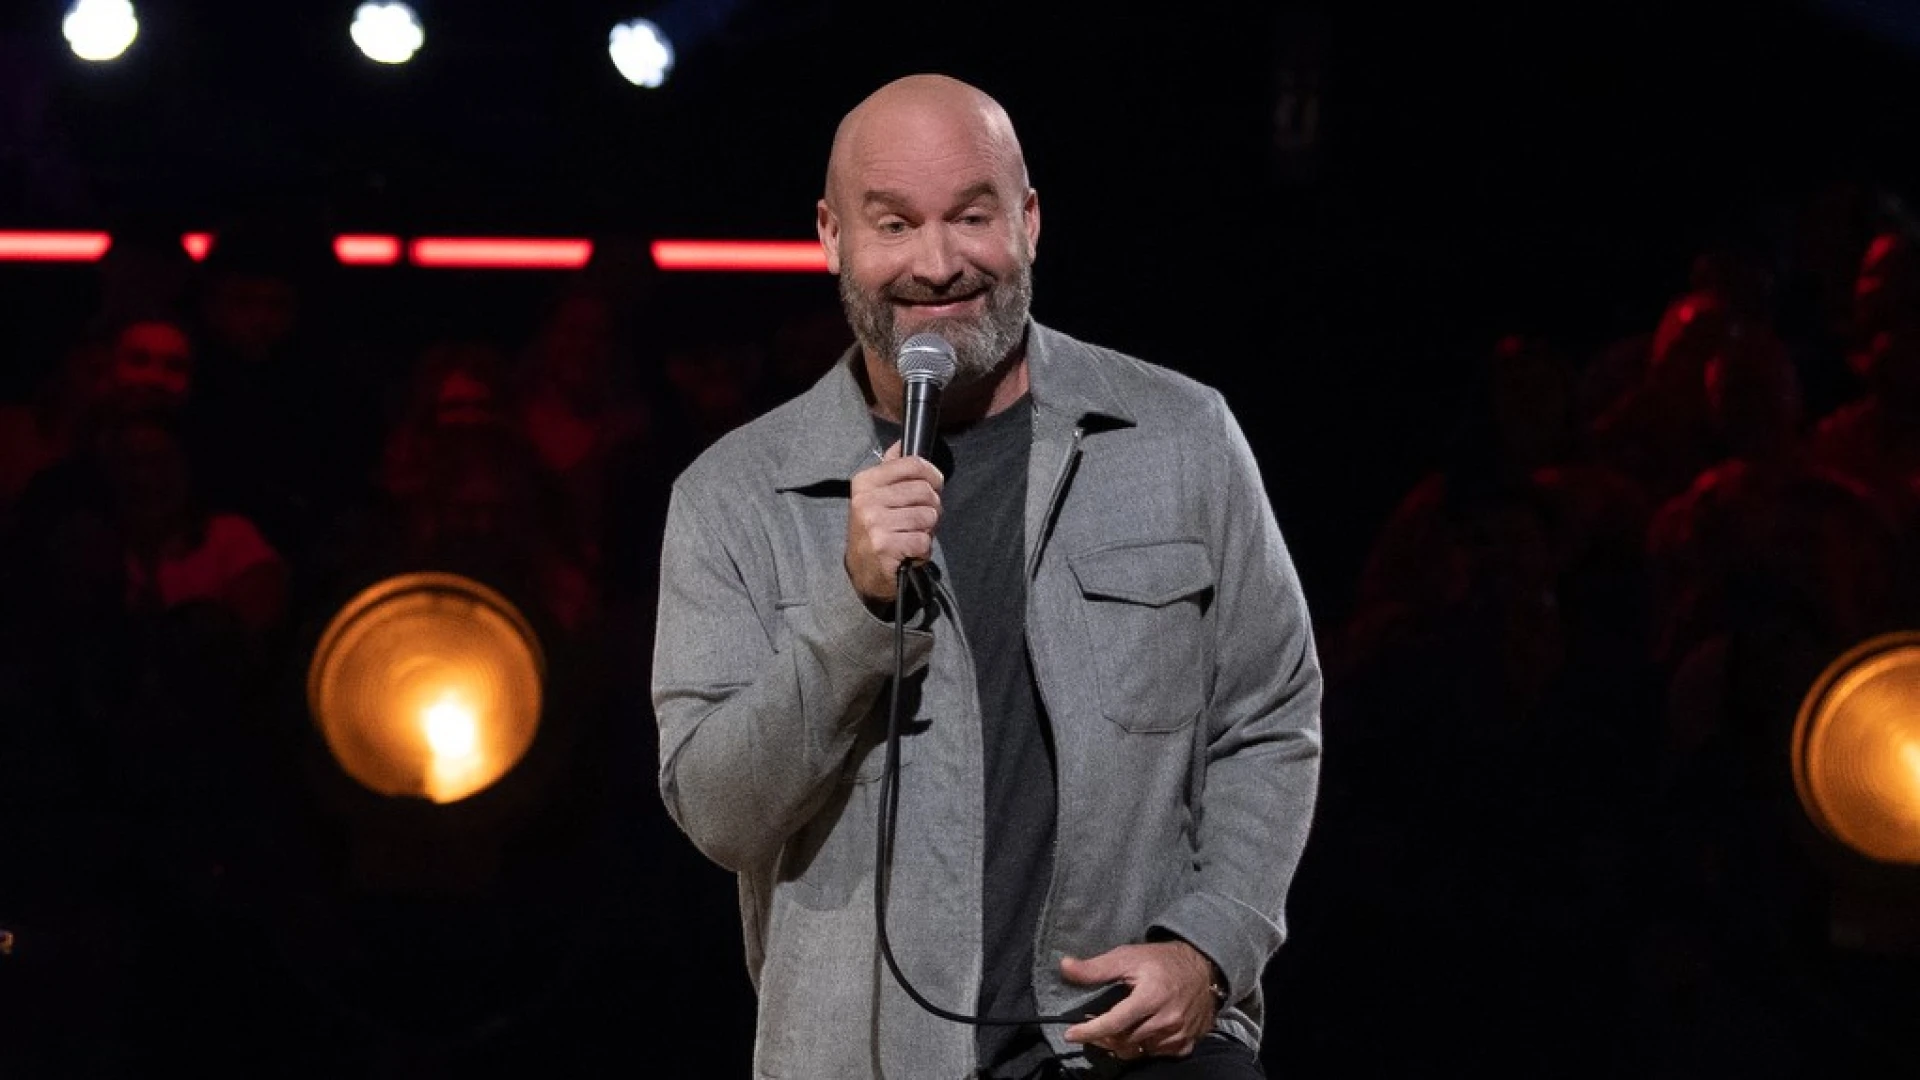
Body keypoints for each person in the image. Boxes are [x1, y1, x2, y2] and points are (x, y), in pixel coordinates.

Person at [649, 72, 1324, 1079]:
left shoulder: (1181, 436)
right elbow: (718, 811)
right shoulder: (733, 496)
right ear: (832, 237)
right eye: (894, 225)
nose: (937, 264)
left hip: (1134, 1049)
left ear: (1029, 221)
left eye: (972, 216)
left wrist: (1210, 948)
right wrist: (854, 611)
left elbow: (1270, 717)